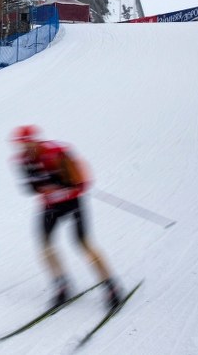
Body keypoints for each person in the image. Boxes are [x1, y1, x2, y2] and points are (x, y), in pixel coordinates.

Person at [10, 125, 122, 309]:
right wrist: (46, 186)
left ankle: (111, 286)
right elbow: (30, 188)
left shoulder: (56, 152)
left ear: (34, 141)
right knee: (45, 245)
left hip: (72, 203)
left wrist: (62, 184)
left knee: (83, 243)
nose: (24, 148)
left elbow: (81, 180)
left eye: (26, 144)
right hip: (49, 205)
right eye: (21, 145)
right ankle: (61, 284)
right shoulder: (22, 160)